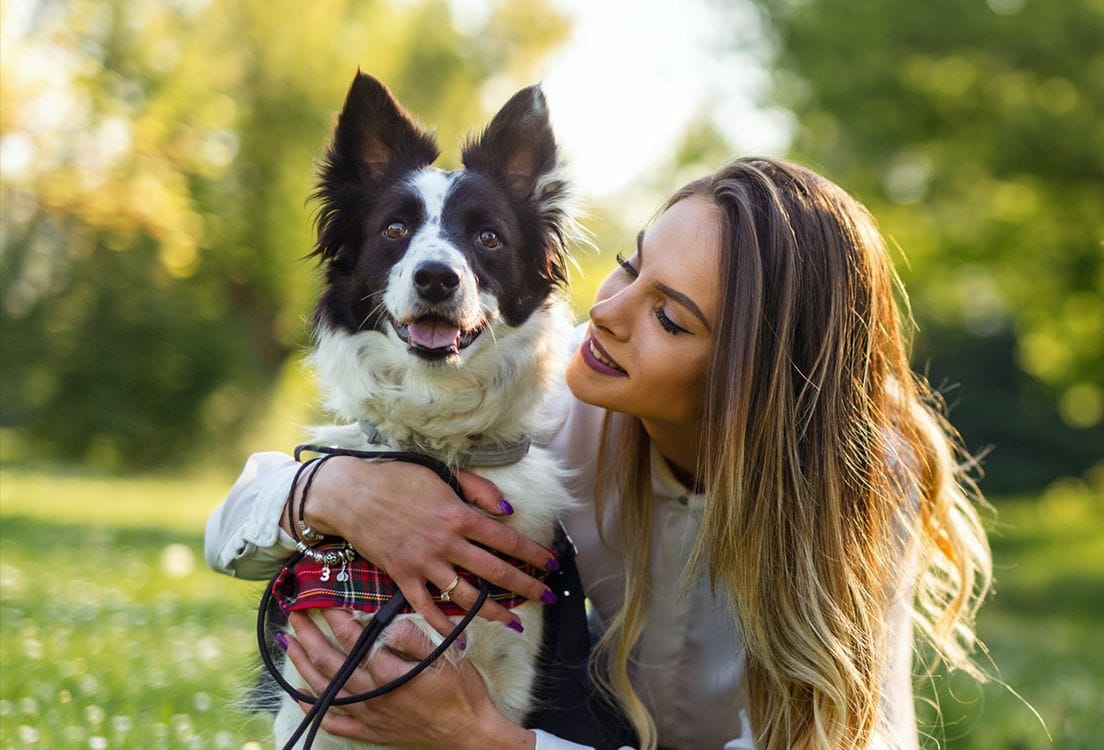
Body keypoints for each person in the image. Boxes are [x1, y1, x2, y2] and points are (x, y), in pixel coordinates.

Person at [205, 157, 994, 749]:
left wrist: (481, 738)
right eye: (630, 263)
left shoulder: (859, 475)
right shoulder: (557, 391)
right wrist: (333, 491)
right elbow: (231, 524)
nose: (610, 312)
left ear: (750, 385)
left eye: (671, 320)